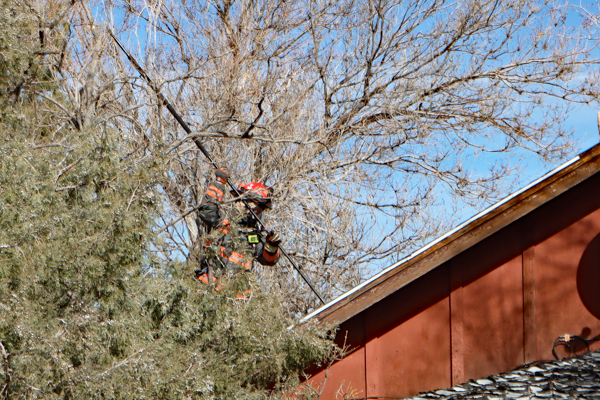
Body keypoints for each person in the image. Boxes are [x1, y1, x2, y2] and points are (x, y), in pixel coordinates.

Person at [194, 168, 282, 298]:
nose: (258, 213)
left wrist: (271, 245)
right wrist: (219, 183)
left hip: (235, 301)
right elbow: (207, 211)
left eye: (260, 210)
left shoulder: (255, 238)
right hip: (207, 292)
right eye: (239, 201)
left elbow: (268, 260)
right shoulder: (223, 225)